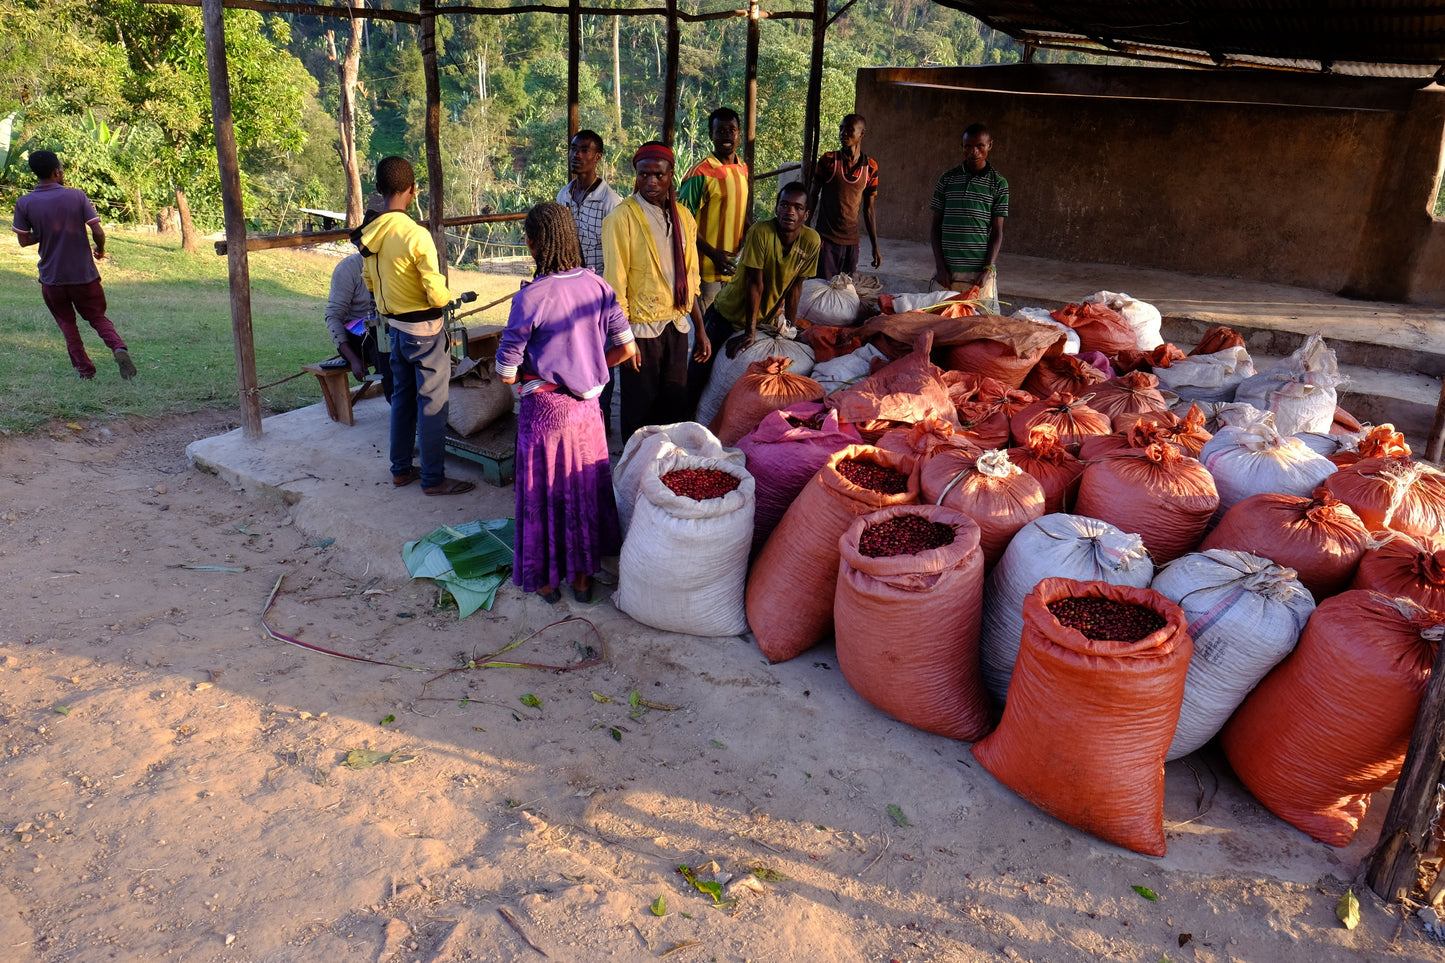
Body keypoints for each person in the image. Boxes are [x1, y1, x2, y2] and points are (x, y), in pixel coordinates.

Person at [496, 202, 637, 605]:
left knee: (544, 494)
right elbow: (626, 348)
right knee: (581, 491)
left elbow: (507, 371)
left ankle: (545, 581)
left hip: (545, 415)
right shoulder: (599, 287)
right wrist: (593, 365)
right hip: (588, 413)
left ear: (534, 243)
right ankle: (581, 581)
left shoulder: (531, 298)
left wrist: (529, 378)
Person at [354, 156, 474, 496]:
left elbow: (370, 282)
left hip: (394, 330)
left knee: (403, 399)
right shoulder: (416, 235)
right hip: (425, 332)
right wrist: (445, 298)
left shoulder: (370, 234)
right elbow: (435, 293)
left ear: (379, 189)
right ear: (412, 190)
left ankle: (400, 470)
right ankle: (434, 479)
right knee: (433, 405)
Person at [602, 142, 709, 440]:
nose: (651, 182)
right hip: (641, 330)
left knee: (673, 403)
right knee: (639, 407)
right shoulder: (621, 219)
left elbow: (690, 280)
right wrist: (624, 340)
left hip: (676, 326)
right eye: (643, 175)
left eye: (658, 175)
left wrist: (699, 329)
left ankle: (665, 471)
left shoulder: (684, 218)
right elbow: (615, 284)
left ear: (671, 174)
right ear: (636, 175)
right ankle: (634, 472)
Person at [687, 183, 820, 407]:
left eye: (797, 207)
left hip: (763, 320)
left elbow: (796, 287)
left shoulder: (811, 241)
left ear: (806, 214)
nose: (790, 212)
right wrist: (750, 331)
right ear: (776, 208)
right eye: (784, 205)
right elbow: (754, 284)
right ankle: (682, 418)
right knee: (700, 369)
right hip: (728, 314)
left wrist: (790, 327)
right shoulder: (761, 232)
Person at [11, 150, 137, 381]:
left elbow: (23, 240)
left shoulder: (25, 202)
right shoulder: (77, 196)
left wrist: (44, 233)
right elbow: (97, 230)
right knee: (98, 317)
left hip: (52, 278)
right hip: (84, 276)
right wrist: (100, 250)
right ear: (56, 172)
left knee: (67, 325)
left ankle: (85, 371)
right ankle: (118, 348)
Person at [556, 129, 624, 434]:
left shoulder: (612, 202)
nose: (577, 155)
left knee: (601, 360)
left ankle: (600, 422)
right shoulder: (563, 195)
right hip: (569, 292)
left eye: (585, 151)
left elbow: (617, 256)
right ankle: (577, 418)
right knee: (574, 355)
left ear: (598, 158)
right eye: (574, 149)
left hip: (600, 296)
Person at [930, 123, 1008, 313]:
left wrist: (987, 269)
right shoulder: (947, 180)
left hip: (979, 273)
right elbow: (935, 228)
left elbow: (997, 232)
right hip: (948, 272)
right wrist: (940, 266)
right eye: (968, 146)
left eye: (980, 146)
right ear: (962, 147)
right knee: (943, 325)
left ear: (990, 145)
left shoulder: (998, 184)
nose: (974, 152)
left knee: (983, 326)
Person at [678, 108, 749, 312]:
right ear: (711, 135)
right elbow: (684, 222)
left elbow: (740, 212)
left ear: (739, 134)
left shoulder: (743, 168)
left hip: (735, 270)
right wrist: (713, 254)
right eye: (720, 131)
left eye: (731, 130)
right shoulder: (699, 174)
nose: (726, 135)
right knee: (708, 331)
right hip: (707, 272)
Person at [807, 113, 881, 279]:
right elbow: (812, 195)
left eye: (849, 130)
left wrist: (875, 246)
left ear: (862, 134)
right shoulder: (829, 161)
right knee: (821, 288)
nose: (843, 133)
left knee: (846, 291)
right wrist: (804, 230)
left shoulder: (870, 167)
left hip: (851, 243)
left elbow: (869, 210)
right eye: (841, 129)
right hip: (826, 240)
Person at [324, 250, 393, 402]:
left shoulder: (394, 262)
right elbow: (333, 316)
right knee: (380, 338)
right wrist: (354, 360)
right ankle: (400, 407)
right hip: (359, 338)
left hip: (389, 327)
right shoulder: (349, 268)